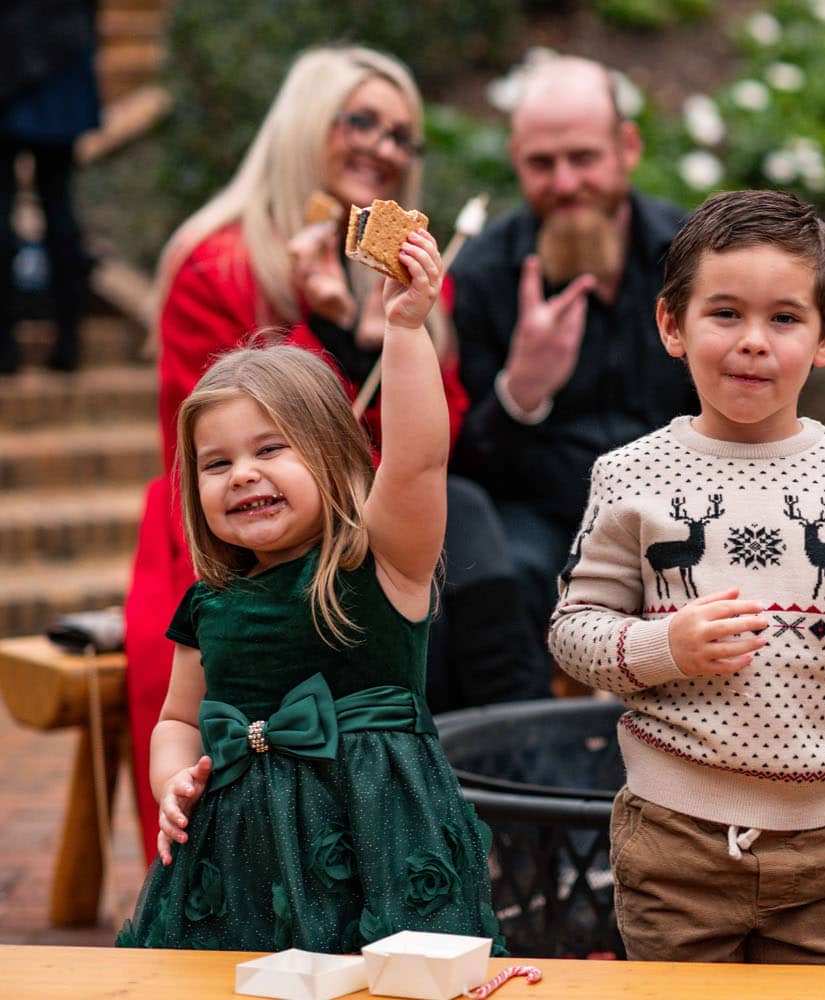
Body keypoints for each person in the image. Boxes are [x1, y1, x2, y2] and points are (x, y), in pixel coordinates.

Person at [548, 189, 825, 965]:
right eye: (725, 313)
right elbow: (573, 632)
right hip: (674, 839)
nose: (753, 343)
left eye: (785, 319)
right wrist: (664, 645)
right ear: (673, 325)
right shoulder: (629, 477)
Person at [121, 45, 488, 863]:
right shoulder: (218, 261)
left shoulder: (412, 280)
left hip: (368, 537)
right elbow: (223, 444)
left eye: (402, 136)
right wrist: (319, 330)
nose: (383, 147)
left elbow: (428, 442)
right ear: (302, 130)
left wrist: (377, 334)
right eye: (360, 121)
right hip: (223, 545)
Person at [117, 232, 502, 953]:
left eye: (269, 450)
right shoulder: (210, 603)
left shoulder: (381, 564)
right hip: (235, 860)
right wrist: (171, 778)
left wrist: (406, 327)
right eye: (215, 463)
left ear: (334, 454)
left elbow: (419, 460)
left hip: (378, 846)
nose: (241, 475)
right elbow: (178, 717)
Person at [450, 55, 696, 698]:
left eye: (583, 157)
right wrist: (521, 390)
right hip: (542, 517)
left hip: (684, 507)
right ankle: (531, 772)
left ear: (628, 148)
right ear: (515, 159)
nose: (564, 182)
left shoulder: (693, 255)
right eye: (541, 163)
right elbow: (461, 463)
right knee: (494, 580)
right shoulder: (480, 275)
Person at [0, 0, 100, 373]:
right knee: (60, 206)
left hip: (13, 56)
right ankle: (69, 343)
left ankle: (7, 348)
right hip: (63, 59)